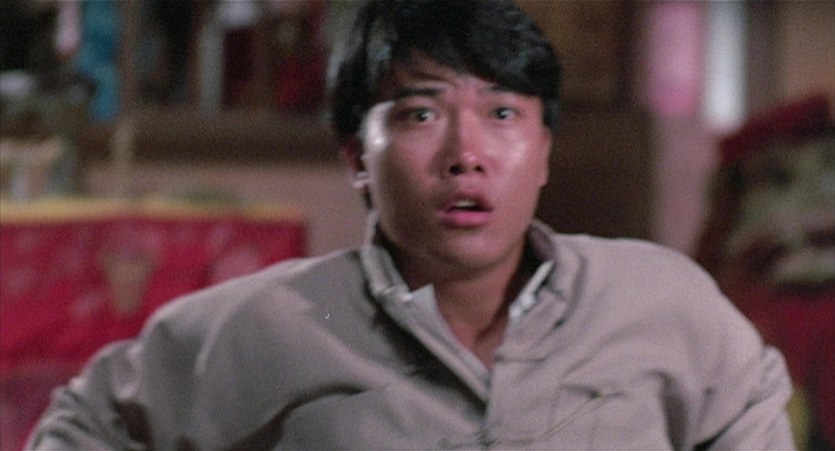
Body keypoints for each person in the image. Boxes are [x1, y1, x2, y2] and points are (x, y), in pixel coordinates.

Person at [26, 0, 795, 449]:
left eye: (502, 114)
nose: (466, 155)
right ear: (357, 158)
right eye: (420, 113)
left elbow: (750, 397)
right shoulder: (270, 324)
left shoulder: (656, 300)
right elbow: (89, 423)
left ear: (544, 152)